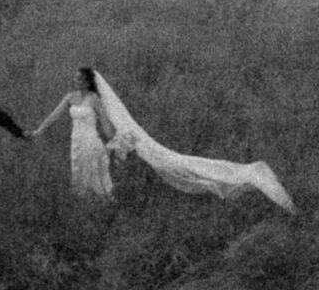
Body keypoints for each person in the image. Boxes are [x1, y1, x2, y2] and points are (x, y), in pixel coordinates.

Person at [85, 68, 297, 212]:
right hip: (140, 148)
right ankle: (242, 183)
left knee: (181, 167)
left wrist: (115, 147)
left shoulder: (103, 105)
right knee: (181, 168)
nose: (76, 83)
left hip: (143, 148)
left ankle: (251, 180)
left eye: (80, 80)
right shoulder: (100, 104)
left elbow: (115, 131)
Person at [30, 66, 118, 199]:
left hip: (90, 141)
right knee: (78, 171)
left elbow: (105, 123)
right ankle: (84, 202)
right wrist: (39, 131)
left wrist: (114, 139)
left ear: (87, 82)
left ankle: (100, 201)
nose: (75, 81)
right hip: (76, 141)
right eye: (75, 78)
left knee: (92, 171)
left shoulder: (94, 99)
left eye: (79, 79)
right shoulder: (70, 97)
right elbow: (54, 115)